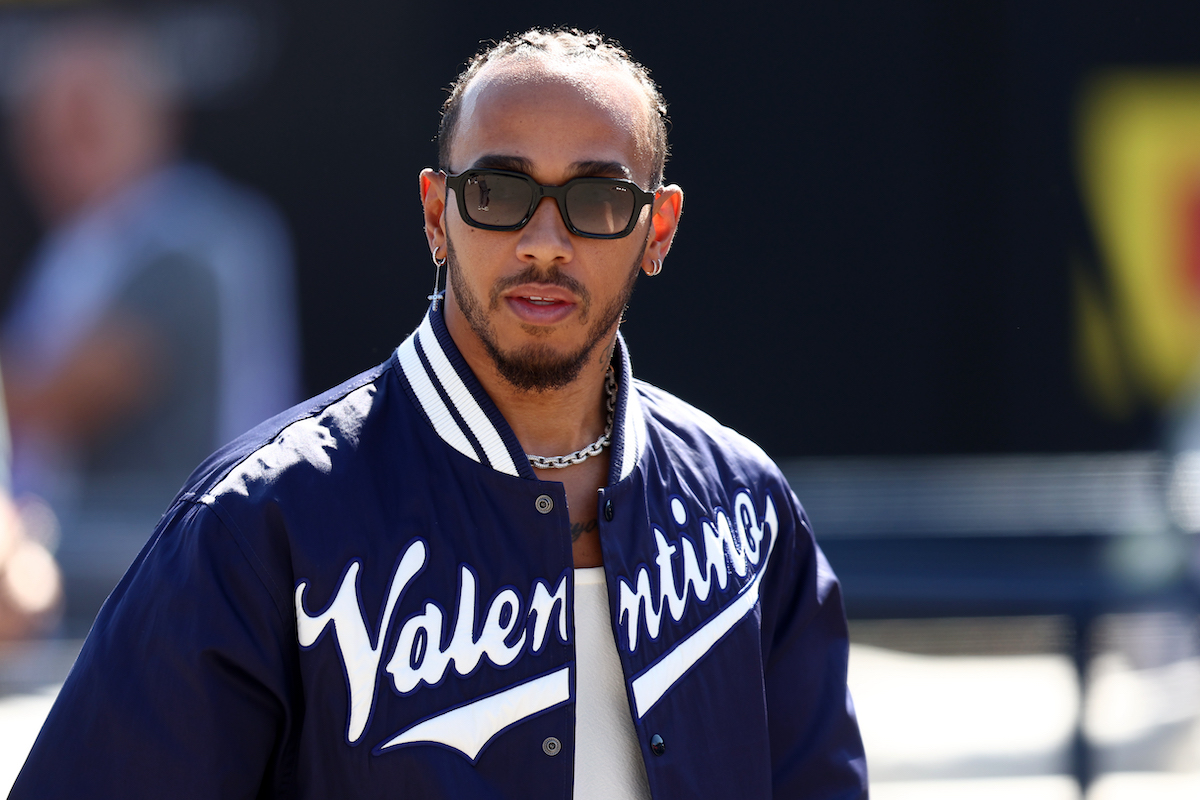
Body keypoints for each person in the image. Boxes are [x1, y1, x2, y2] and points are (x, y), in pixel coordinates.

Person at [10, 28, 868, 798]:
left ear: (658, 230)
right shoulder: (260, 519)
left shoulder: (742, 509)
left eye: (598, 201)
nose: (543, 240)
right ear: (436, 213)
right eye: (499, 191)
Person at [1, 18, 300, 539]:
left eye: (87, 119)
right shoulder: (73, 248)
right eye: (44, 126)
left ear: (156, 117)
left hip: (187, 557)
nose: (60, 147)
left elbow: (58, 397)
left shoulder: (192, 237)